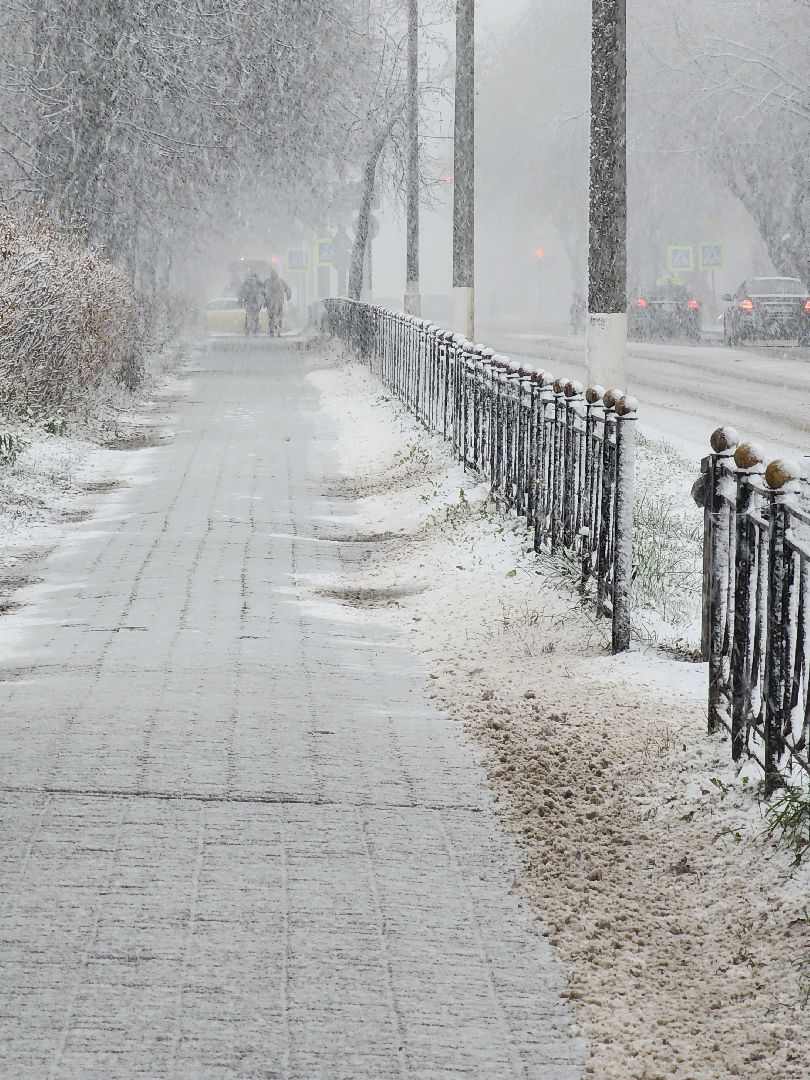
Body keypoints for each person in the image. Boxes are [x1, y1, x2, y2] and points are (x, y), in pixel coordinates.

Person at [264, 268, 292, 336]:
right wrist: (288, 295)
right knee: (278, 316)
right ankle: (277, 329)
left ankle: (272, 330)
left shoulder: (268, 282)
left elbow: (262, 290)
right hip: (278, 301)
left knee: (271, 317)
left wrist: (264, 299)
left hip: (271, 302)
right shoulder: (280, 281)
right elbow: (287, 289)